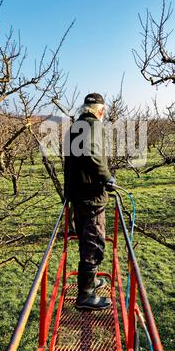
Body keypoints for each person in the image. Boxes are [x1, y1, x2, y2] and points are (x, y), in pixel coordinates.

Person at [64, 93, 116, 310]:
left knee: (86, 239)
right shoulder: (94, 126)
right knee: (94, 243)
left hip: (77, 195)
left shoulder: (74, 127)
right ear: (101, 110)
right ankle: (85, 296)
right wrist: (107, 177)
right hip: (91, 196)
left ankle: (91, 282)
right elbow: (93, 155)